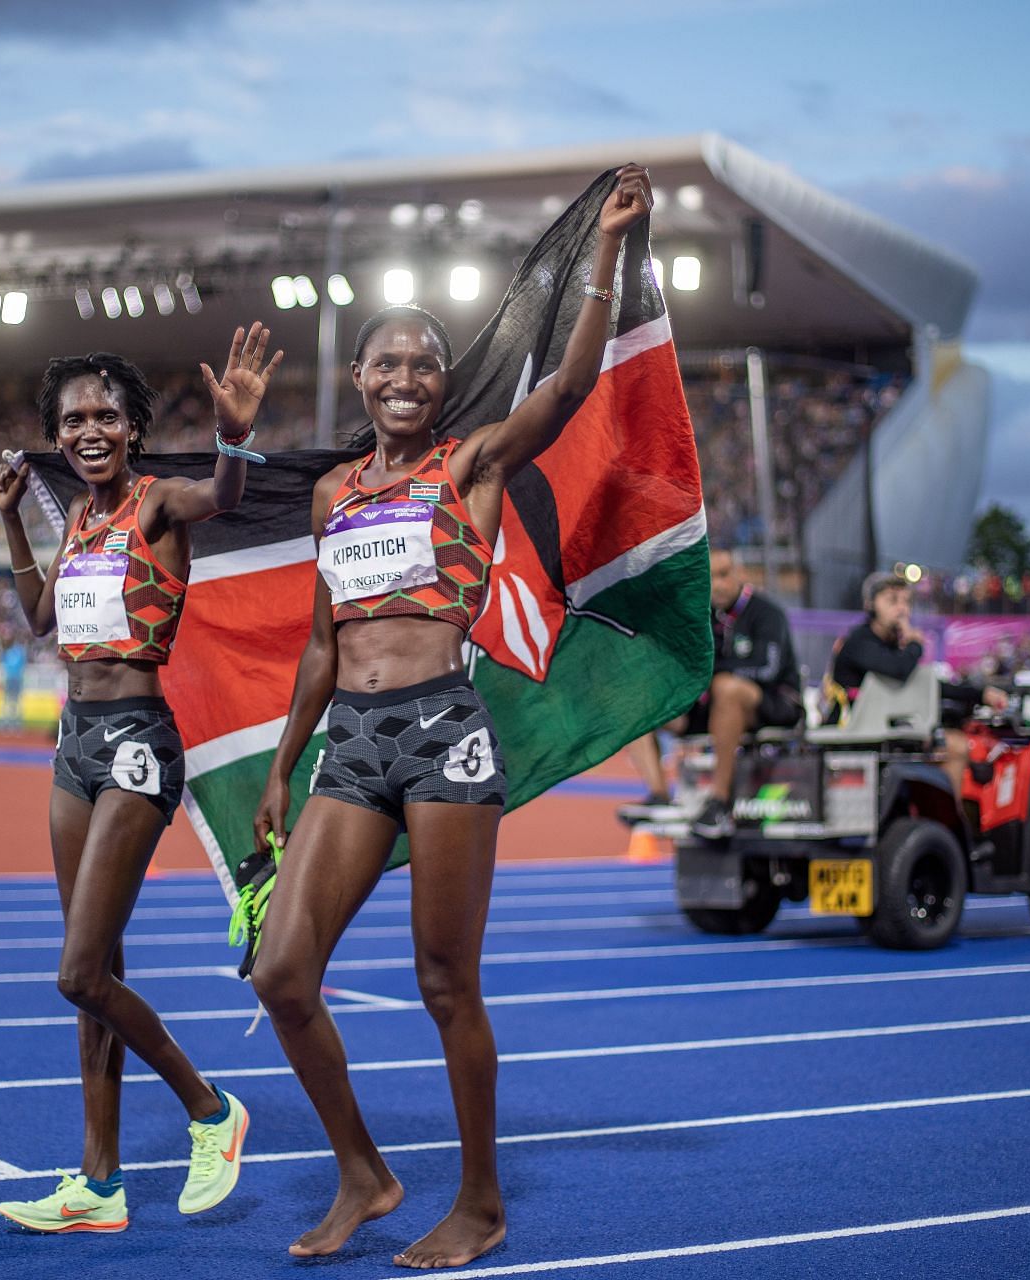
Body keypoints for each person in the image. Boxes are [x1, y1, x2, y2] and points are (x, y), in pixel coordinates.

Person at [249, 164, 654, 1270]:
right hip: (349, 746)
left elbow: (569, 384)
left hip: (442, 732)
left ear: (440, 383)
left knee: (444, 980)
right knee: (283, 971)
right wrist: (285, 765)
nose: (407, 375)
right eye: (388, 360)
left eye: (425, 361)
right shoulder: (335, 493)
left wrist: (608, 252)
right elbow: (323, 642)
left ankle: (480, 1198)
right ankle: (366, 1173)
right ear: (360, 375)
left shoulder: (469, 463)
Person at [0, 324, 281, 1235]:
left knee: (78, 973)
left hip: (136, 747)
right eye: (73, 417)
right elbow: (40, 617)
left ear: (131, 428)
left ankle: (209, 1110)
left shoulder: (158, 504)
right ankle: (99, 1183)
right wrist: (9, 518)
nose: (89, 428)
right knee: (101, 969)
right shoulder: (76, 520)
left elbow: (225, 495)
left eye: (106, 414)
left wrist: (234, 434)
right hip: (74, 746)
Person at [628, 550, 801, 839]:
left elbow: (767, 668)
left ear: (741, 574)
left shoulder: (767, 613)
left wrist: (711, 673)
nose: (716, 584)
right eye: (709, 577)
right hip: (716, 706)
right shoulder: (700, 615)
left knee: (726, 686)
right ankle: (659, 794)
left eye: (723, 574)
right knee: (638, 700)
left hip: (774, 703)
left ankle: (719, 801)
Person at [829, 571, 1007, 793]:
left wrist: (980, 694)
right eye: (892, 601)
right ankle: (948, 817)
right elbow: (898, 670)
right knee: (956, 747)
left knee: (952, 743)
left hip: (884, 734)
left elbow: (928, 686)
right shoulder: (859, 641)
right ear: (871, 605)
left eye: (906, 602)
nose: (902, 609)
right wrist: (914, 643)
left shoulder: (891, 647)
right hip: (852, 734)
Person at [0, 639, 27, 732]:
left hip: (13, 679)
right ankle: (10, 723)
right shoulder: (16, 652)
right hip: (13, 679)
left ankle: (13, 723)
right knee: (12, 702)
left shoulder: (11, 652)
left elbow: (4, 667)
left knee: (12, 702)